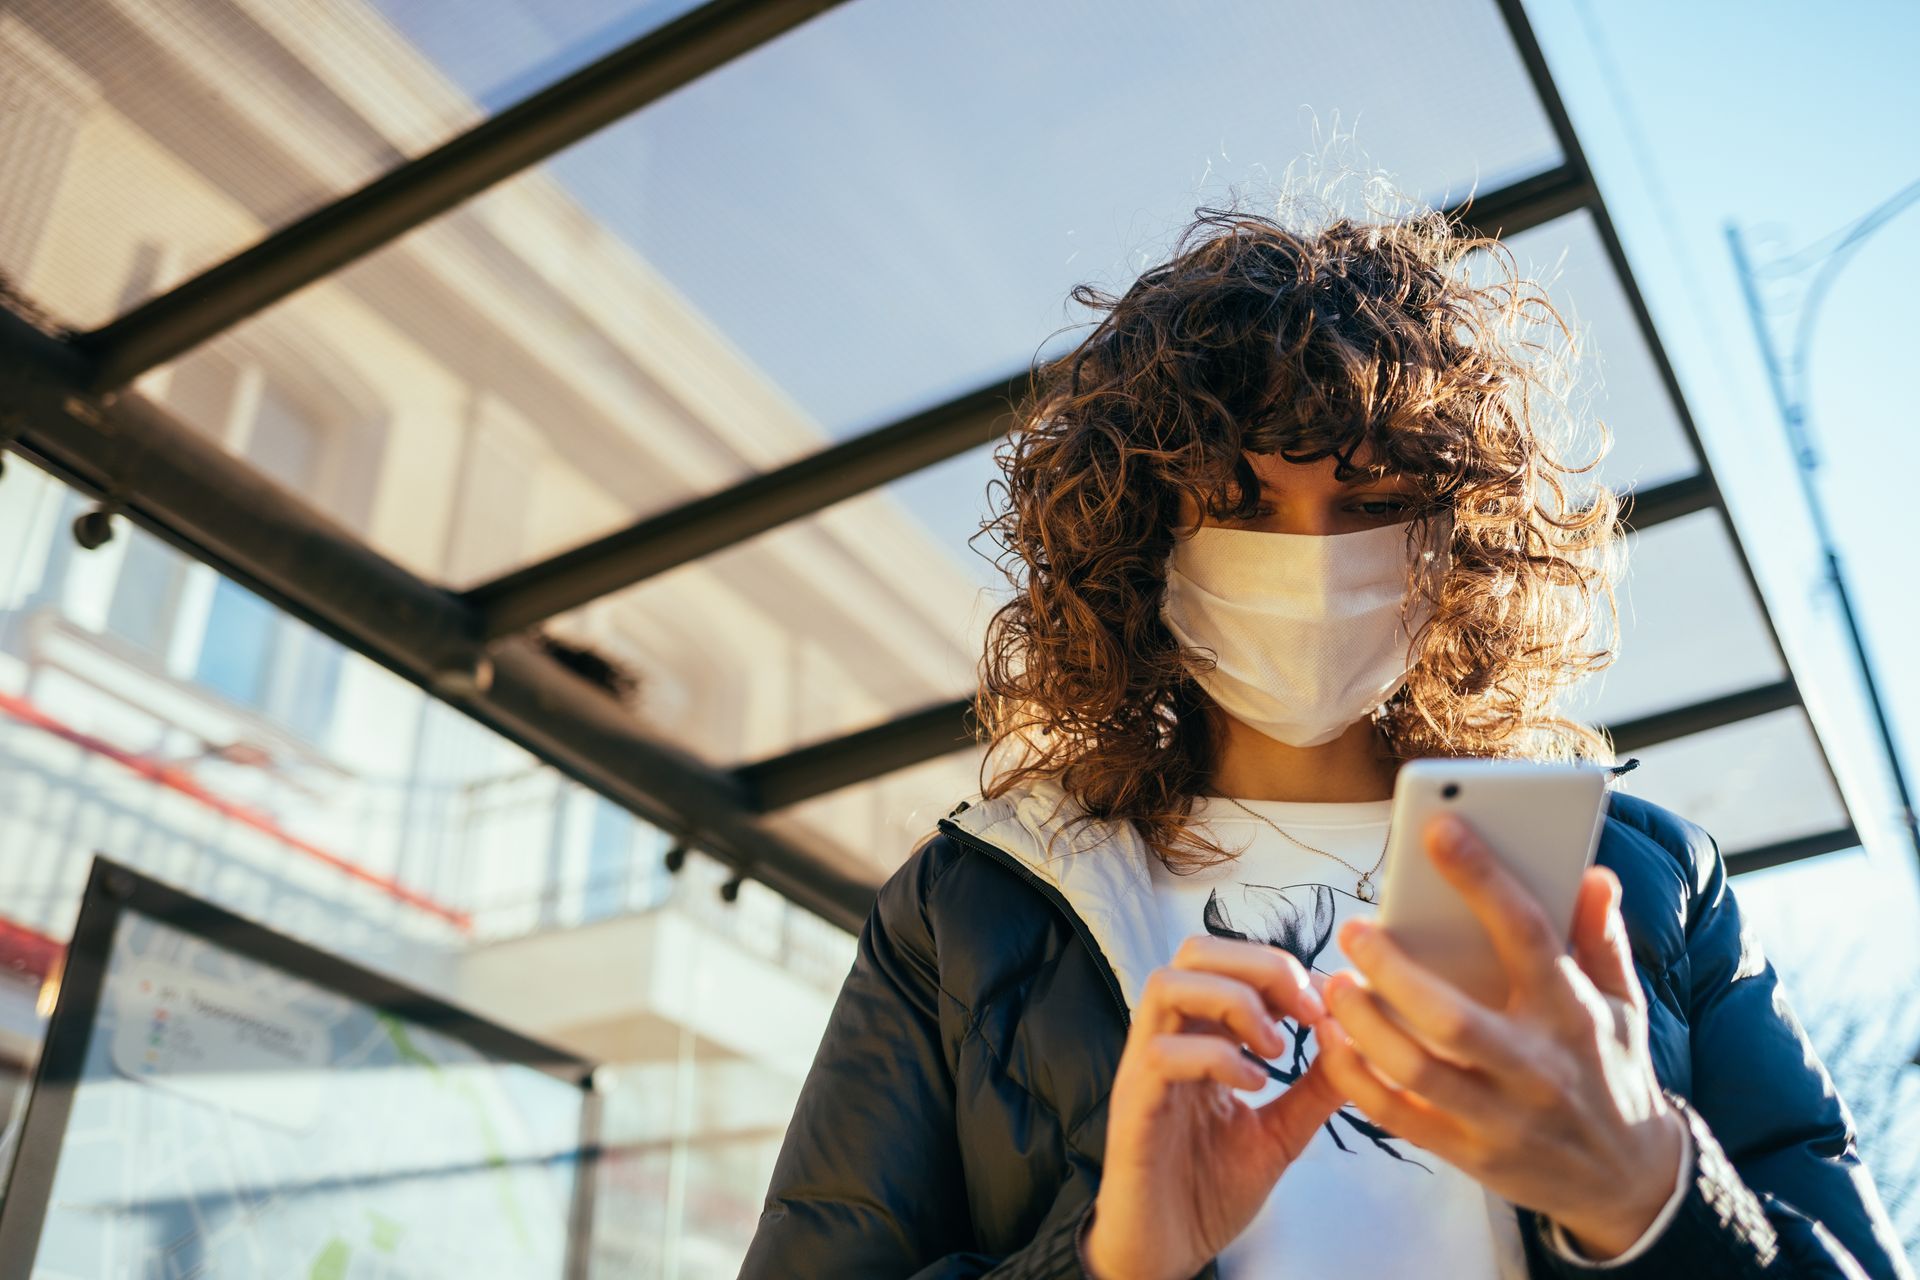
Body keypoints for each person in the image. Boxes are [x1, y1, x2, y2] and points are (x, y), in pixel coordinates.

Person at [737, 189, 1913, 1279]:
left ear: (1460, 539)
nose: (1312, 560)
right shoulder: (967, 906)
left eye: (1375, 502)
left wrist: (1654, 1194)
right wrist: (1111, 1264)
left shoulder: (1647, 881)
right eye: (1241, 505)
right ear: (1142, 539)